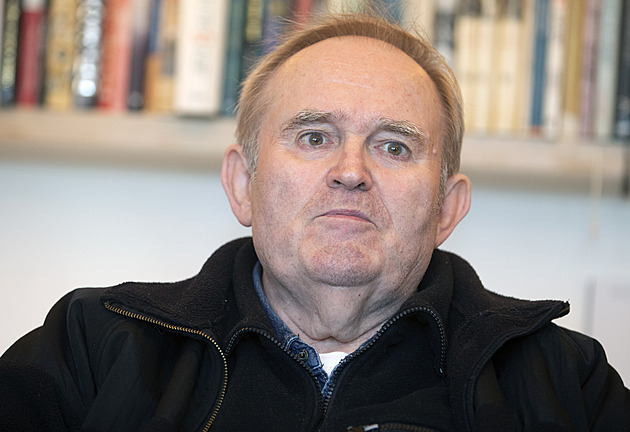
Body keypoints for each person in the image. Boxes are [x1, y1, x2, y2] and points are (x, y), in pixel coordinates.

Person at [1, 12, 628, 432]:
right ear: (242, 185)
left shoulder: (566, 381)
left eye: (394, 146)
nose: (350, 172)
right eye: (314, 136)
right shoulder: (90, 348)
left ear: (447, 208)